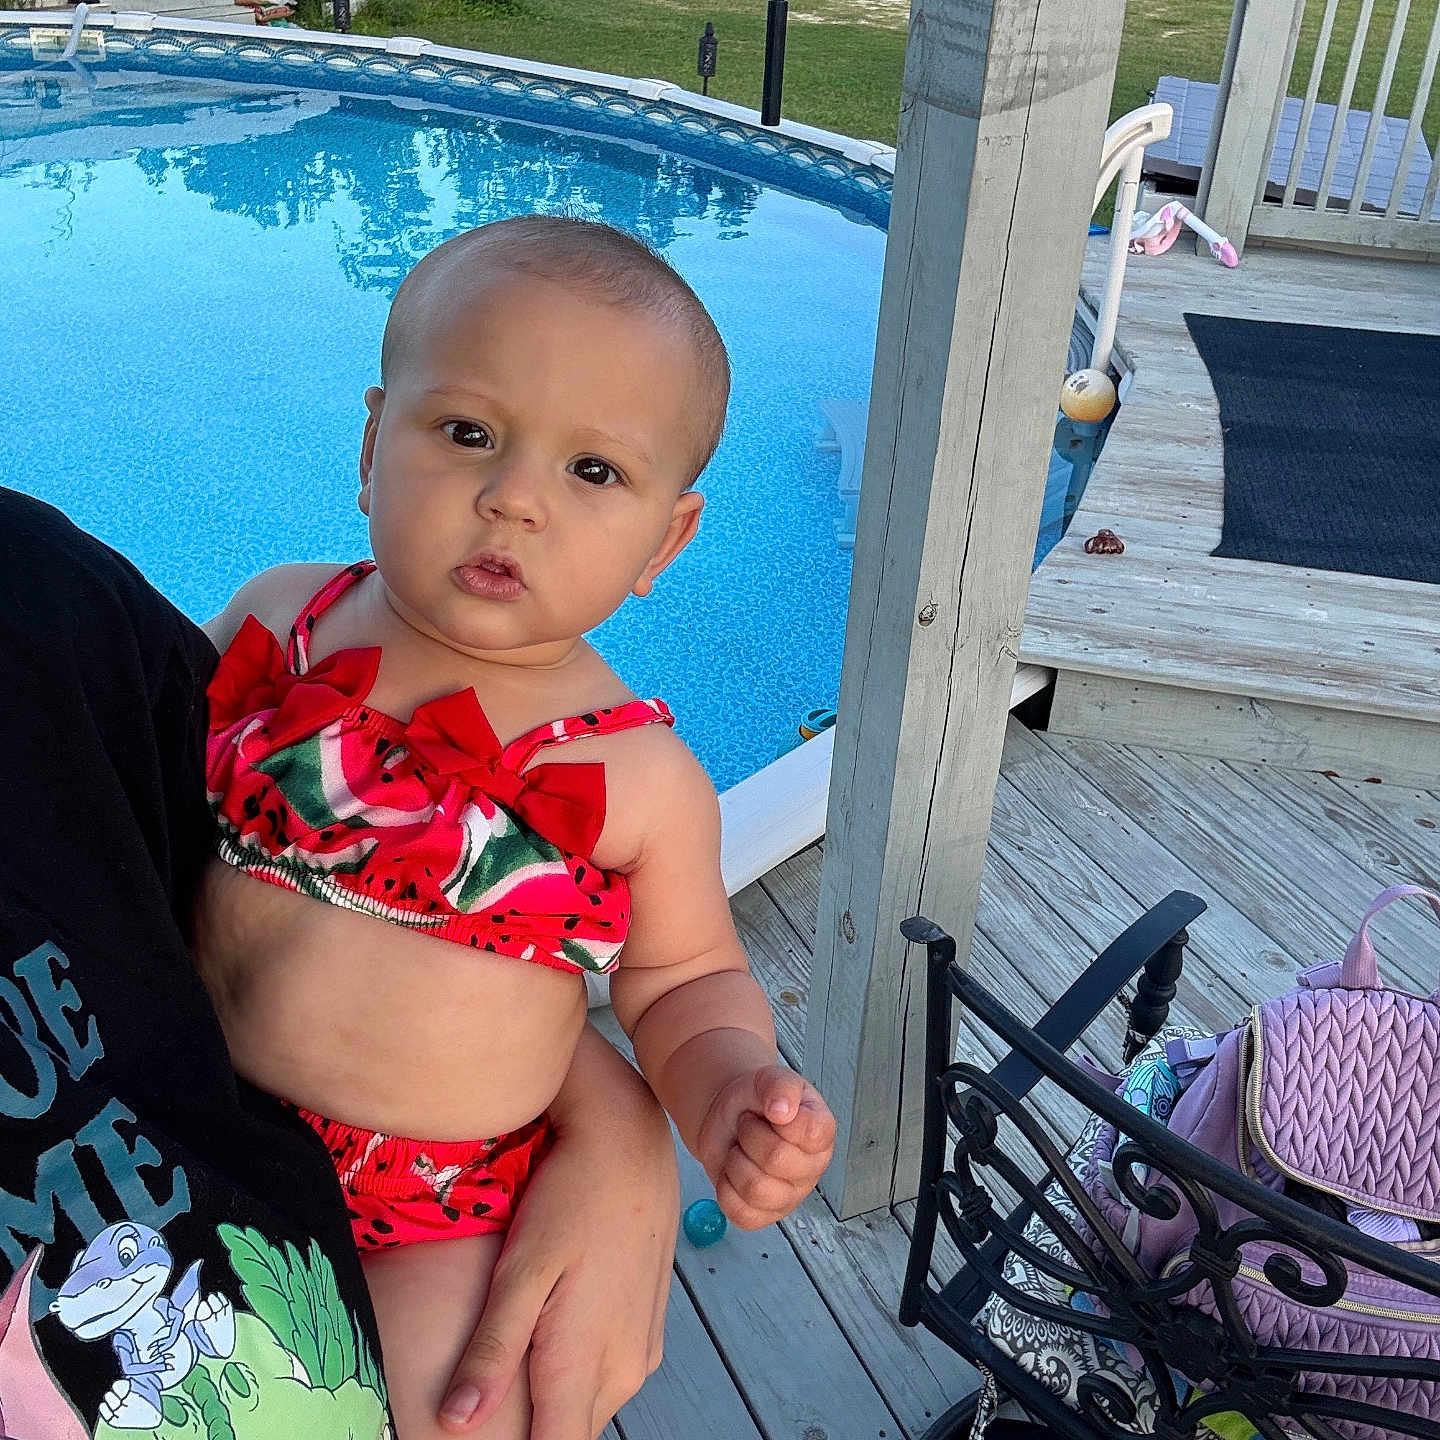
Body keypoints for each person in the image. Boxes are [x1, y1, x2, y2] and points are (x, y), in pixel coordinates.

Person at [196, 215, 837, 1439]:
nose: (513, 498)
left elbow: (688, 979)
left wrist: (727, 1094)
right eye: (470, 434)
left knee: (461, 1409)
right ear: (373, 438)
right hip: (189, 1099)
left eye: (592, 471)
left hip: (436, 1202)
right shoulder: (281, 624)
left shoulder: (638, 776)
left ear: (668, 539)